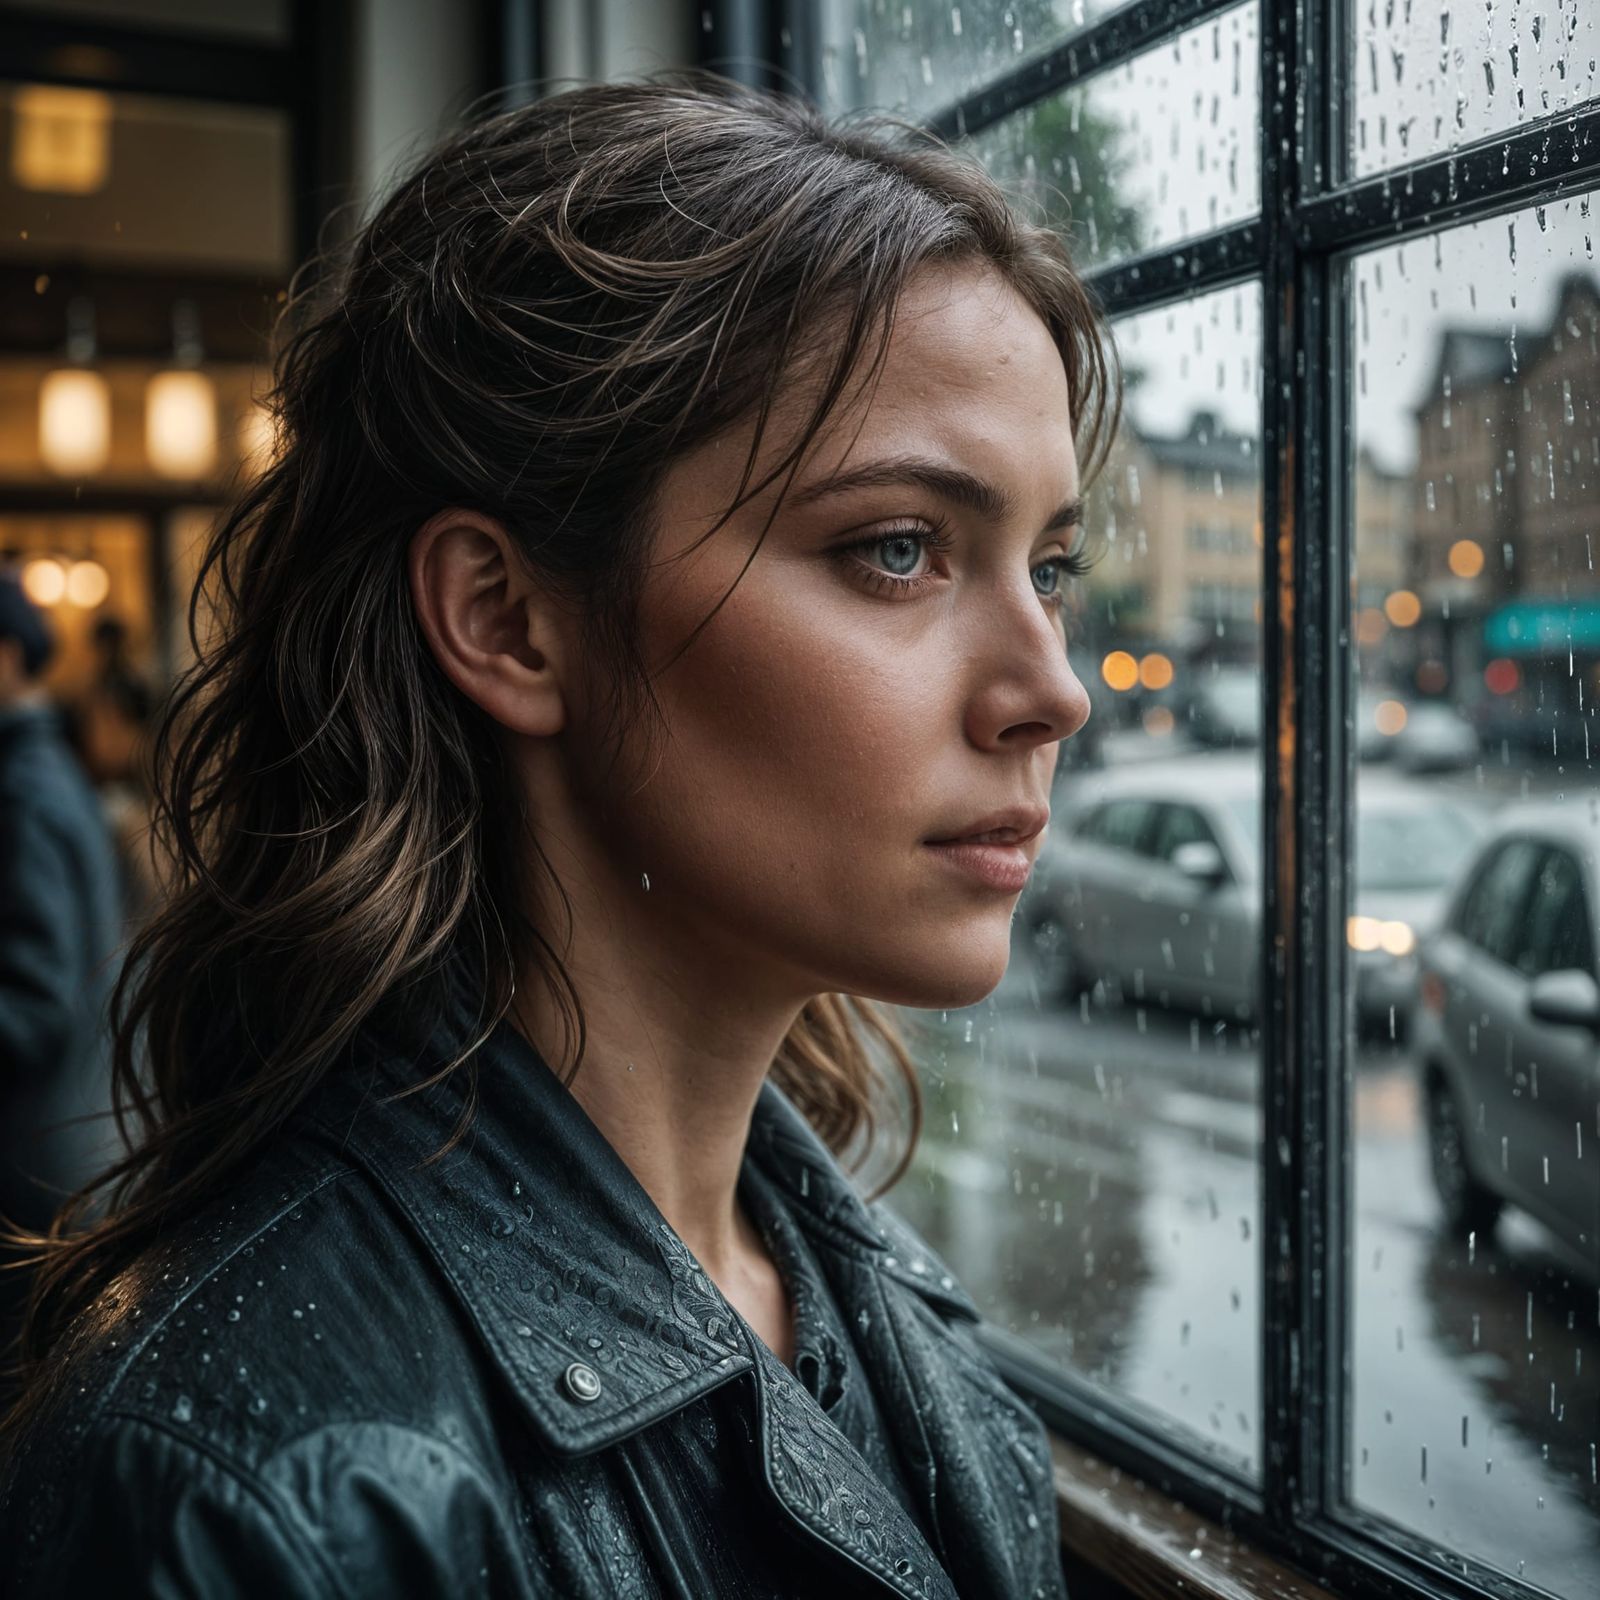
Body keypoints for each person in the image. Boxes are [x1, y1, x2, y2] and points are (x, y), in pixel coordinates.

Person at [0, 71, 1120, 1598]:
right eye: (899, 549)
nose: (1053, 691)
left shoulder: (875, 1312)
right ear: (507, 618)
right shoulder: (250, 1491)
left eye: (1049, 569)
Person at [0, 571, 124, 1409]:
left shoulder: (25, 791)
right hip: (61, 1152)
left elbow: (37, 1000)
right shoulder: (40, 775)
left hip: (33, 1167)